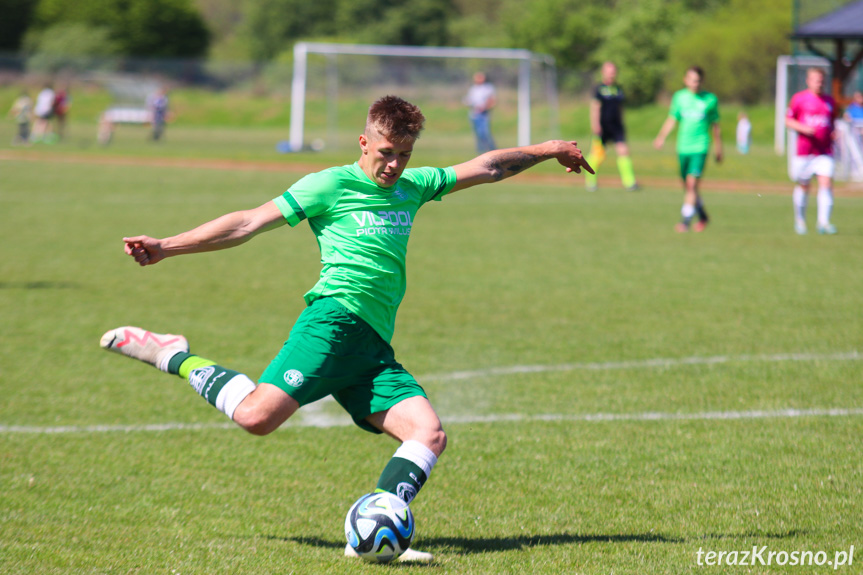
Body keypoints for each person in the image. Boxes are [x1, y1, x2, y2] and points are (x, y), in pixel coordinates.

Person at [99, 95, 593, 563]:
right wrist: (167, 246)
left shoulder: (413, 186)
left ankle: (376, 528)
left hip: (373, 345)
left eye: (404, 154)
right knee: (256, 418)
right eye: (386, 153)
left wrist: (549, 150)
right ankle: (171, 354)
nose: (395, 164)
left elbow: (488, 167)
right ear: (363, 143)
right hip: (332, 323)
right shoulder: (328, 185)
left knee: (428, 434)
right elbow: (247, 222)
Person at [654, 66, 722, 233]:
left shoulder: (710, 99)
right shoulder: (680, 97)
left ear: (702, 81)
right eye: (692, 79)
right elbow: (672, 118)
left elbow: (715, 125)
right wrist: (661, 137)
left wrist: (719, 147)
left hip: (700, 147)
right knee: (688, 186)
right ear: (686, 80)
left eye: (698, 80)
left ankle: (685, 221)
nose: (695, 83)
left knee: (691, 184)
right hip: (683, 147)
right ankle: (703, 215)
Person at [785, 67, 839, 235]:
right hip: (804, 151)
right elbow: (788, 120)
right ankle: (800, 220)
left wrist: (833, 133)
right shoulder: (799, 99)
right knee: (804, 185)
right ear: (808, 81)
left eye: (822, 79)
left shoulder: (830, 101)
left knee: (826, 183)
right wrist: (803, 127)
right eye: (816, 79)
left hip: (824, 151)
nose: (819, 82)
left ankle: (823, 222)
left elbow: (832, 123)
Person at [585, 61, 639, 192]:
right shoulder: (599, 89)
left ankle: (629, 182)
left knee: (623, 152)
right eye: (608, 72)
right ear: (603, 73)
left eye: (613, 72)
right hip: (603, 127)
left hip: (616, 127)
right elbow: (594, 107)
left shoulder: (618, 90)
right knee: (598, 155)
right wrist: (595, 124)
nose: (611, 74)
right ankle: (590, 180)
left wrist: (622, 123)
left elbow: (620, 109)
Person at [464, 71, 496, 153]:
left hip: (483, 114)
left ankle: (492, 150)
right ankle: (480, 151)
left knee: (484, 133)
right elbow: (469, 100)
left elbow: (492, 101)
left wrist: (484, 107)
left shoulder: (488, 88)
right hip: (474, 114)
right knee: (478, 134)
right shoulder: (473, 88)